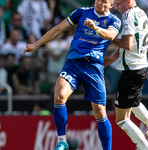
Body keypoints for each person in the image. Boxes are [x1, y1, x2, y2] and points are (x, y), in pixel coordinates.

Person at [23, 0, 121, 150]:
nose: (99, 3)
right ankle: (62, 141)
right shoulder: (81, 12)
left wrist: (96, 28)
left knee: (100, 112)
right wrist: (36, 44)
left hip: (93, 67)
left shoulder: (114, 20)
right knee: (59, 95)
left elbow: (112, 36)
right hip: (74, 64)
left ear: (111, 5)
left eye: (104, 1)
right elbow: (58, 29)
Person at [104, 0, 148, 149]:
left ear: (128, 2)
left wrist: (108, 36)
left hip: (132, 71)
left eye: (119, 3)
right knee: (133, 103)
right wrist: (114, 56)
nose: (116, 7)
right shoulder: (141, 13)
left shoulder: (128, 15)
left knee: (121, 120)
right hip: (141, 67)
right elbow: (132, 41)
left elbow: (127, 43)